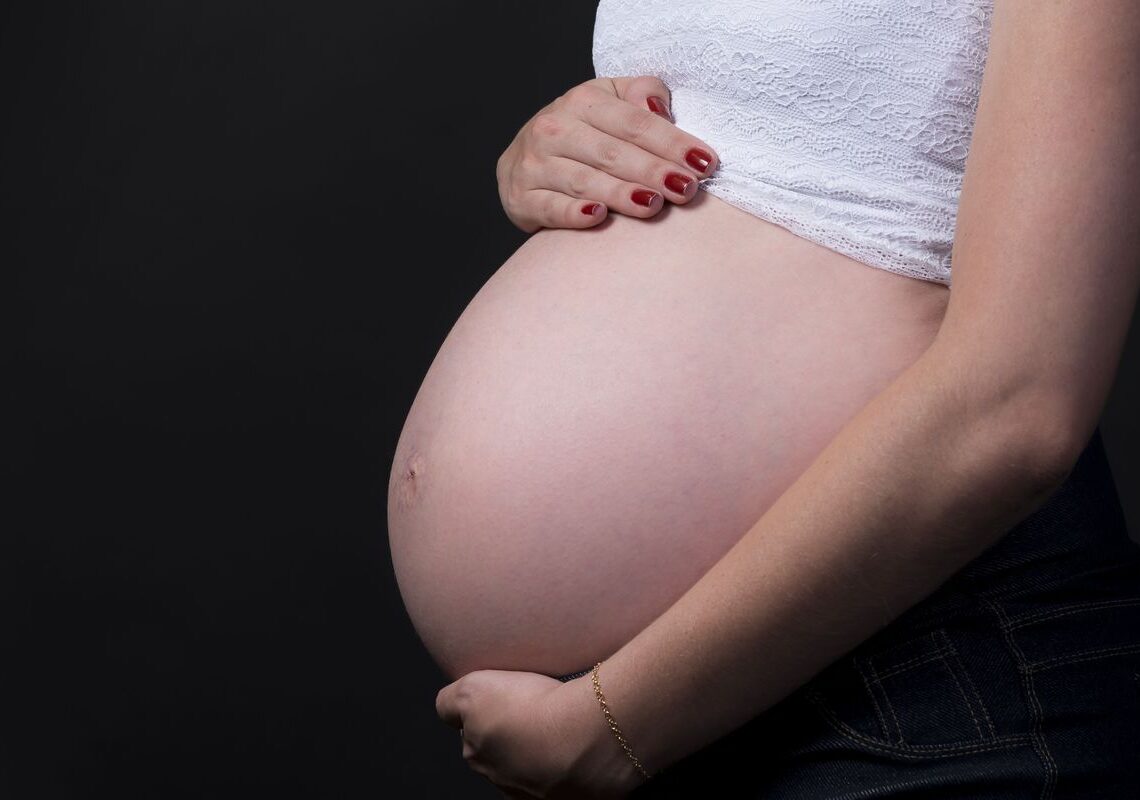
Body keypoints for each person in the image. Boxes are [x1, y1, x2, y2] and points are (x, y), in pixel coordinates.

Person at [432, 2, 1140, 797]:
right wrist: (559, 152)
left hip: (919, 669)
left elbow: (1020, 403)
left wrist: (612, 727)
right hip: (678, 696)